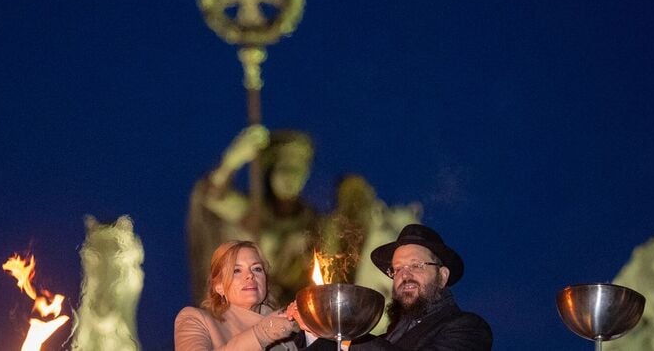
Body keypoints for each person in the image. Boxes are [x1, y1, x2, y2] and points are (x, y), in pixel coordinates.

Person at [299, 224, 492, 350]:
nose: (405, 276)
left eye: (416, 266)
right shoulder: (388, 338)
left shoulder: (469, 328)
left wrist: (350, 339)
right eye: (397, 269)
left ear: (442, 276)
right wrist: (315, 327)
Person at [188, 125, 319, 304]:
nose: (291, 178)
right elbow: (212, 197)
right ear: (270, 171)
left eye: (298, 170)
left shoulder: (313, 223)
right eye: (285, 168)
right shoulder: (252, 213)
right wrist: (233, 160)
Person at [175, 240, 303, 350]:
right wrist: (263, 333)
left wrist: (311, 328)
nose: (250, 275)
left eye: (257, 269)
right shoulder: (196, 320)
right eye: (236, 270)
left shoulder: (287, 328)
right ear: (219, 286)